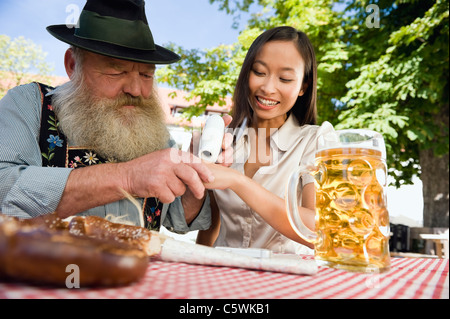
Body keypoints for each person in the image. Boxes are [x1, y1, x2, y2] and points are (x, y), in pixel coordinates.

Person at [0, 0, 232, 233]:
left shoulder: (151, 131)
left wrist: (196, 171)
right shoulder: (30, 104)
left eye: (146, 75)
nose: (136, 90)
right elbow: (3, 187)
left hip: (135, 268)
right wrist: (127, 177)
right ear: (72, 65)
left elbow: (177, 218)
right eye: (116, 71)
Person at [197, 26, 335, 254]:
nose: (268, 88)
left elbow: (319, 231)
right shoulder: (225, 140)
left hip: (284, 281)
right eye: (259, 72)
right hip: (220, 274)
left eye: (285, 78)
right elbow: (212, 223)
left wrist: (238, 181)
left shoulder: (316, 140)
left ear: (303, 87)